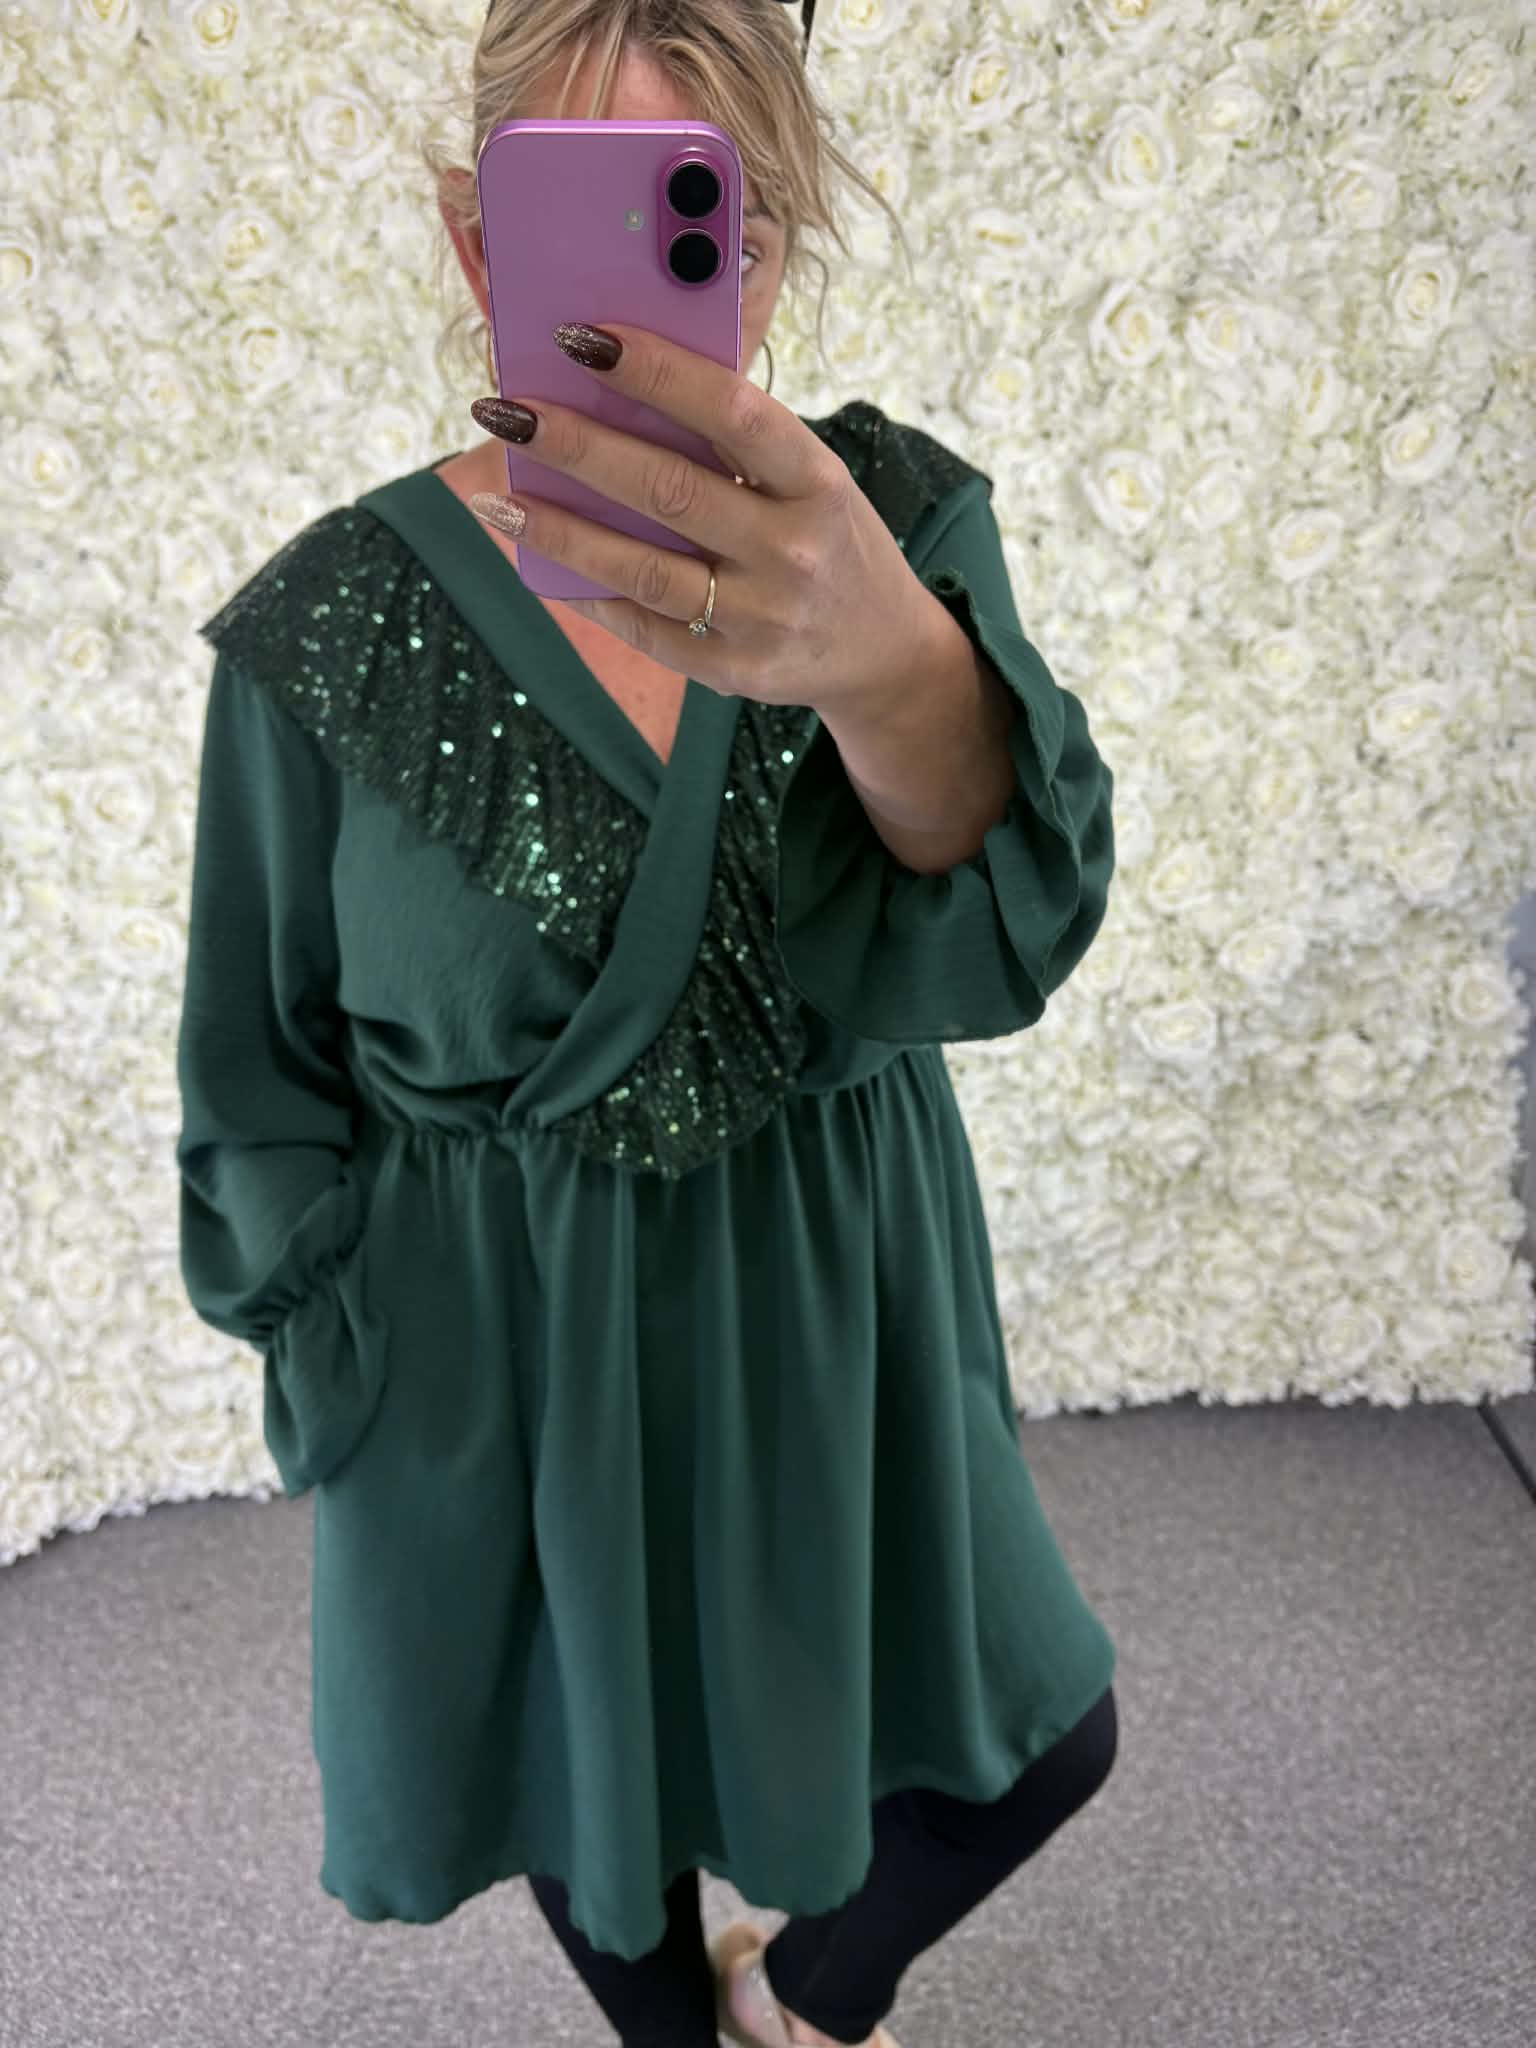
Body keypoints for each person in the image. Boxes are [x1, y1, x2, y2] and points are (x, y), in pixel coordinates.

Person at [173, 3, 1121, 2044]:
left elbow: (1004, 934)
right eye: (571, 207)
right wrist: (348, 1378)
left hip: (834, 1317)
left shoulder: (894, 534)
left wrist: (887, 662)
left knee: (1036, 1749)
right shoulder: (334, 623)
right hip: (490, 1355)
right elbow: (254, 1057)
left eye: (708, 214)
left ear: (771, 245)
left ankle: (809, 2004)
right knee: (583, 1795)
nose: (648, 284)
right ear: (476, 239)